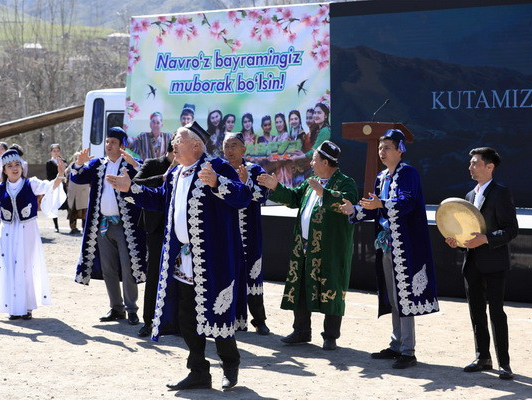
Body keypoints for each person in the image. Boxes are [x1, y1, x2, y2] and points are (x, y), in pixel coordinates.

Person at [106, 121, 251, 391]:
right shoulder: (175, 174)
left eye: (178, 138)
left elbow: (243, 196)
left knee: (217, 312)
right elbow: (161, 200)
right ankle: (198, 371)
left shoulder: (216, 167)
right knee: (187, 316)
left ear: (196, 145)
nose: (173, 141)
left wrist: (218, 183)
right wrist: (131, 189)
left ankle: (230, 365)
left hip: (214, 258)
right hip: (183, 260)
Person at [341, 129, 439, 369]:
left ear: (399, 150)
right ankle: (397, 344)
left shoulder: (408, 174)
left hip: (406, 244)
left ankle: (408, 350)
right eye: (380, 148)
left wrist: (381, 203)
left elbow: (406, 203)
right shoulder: (382, 177)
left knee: (405, 296)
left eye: (386, 148)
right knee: (394, 296)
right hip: (387, 244)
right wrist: (355, 210)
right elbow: (376, 209)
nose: (381, 152)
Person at [258, 141, 357, 350]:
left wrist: (325, 193)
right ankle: (301, 330)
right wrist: (275, 186)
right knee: (302, 287)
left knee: (332, 286)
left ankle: (330, 335)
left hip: (330, 249)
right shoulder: (311, 182)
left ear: (326, 162)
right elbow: (294, 198)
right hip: (304, 246)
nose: (311, 162)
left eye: (315, 159)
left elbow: (347, 204)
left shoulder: (345, 183)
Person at [444, 147, 518, 380]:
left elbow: (511, 230)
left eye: (475, 163)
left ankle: (504, 364)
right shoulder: (467, 196)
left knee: (497, 313)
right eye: (471, 163)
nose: (470, 167)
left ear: (490, 167)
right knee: (476, 312)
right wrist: (457, 241)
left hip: (494, 263)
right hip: (472, 263)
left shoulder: (501, 193)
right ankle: (483, 357)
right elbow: (467, 233)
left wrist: (486, 239)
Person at [0, 150, 66, 320]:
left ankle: (26, 307)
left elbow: (50, 186)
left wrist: (61, 173)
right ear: (4, 170)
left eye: (17, 165)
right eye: (10, 166)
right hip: (7, 231)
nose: (14, 169)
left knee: (26, 266)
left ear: (21, 166)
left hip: (27, 230)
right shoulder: (0, 188)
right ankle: (13, 307)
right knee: (9, 266)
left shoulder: (30, 183)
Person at [71, 127, 147, 325]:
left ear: (122, 146)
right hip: (103, 224)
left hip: (125, 226)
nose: (109, 145)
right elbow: (77, 178)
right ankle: (116, 308)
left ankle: (132, 309)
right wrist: (79, 163)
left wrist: (135, 165)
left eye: (113, 142)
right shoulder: (98, 165)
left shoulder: (129, 165)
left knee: (128, 267)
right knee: (108, 269)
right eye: (107, 142)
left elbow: (148, 181)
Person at [222, 133, 270, 335]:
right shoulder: (219, 171)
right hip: (225, 233)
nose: (230, 150)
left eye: (234, 146)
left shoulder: (255, 170)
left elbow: (262, 196)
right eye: (226, 146)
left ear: (244, 150)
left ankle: (259, 320)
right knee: (227, 276)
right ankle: (230, 319)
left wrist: (246, 183)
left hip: (249, 233)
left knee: (253, 274)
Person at [132, 141, 176, 337]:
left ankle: (176, 322)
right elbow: (137, 184)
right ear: (173, 149)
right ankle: (148, 321)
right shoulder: (152, 163)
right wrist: (163, 177)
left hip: (179, 230)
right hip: (156, 228)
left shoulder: (188, 168)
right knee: (154, 275)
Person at [65, 152, 89, 235]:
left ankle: (84, 227)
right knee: (72, 211)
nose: (77, 159)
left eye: (78, 157)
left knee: (84, 212)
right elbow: (67, 180)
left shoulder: (86, 167)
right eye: (76, 157)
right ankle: (73, 228)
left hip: (83, 193)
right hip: (73, 193)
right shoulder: (70, 168)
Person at [46, 144, 67, 233]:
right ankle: (56, 226)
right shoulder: (49, 163)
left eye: (57, 150)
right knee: (54, 205)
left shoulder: (63, 161)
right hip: (54, 185)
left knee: (67, 204)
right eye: (54, 151)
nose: (56, 152)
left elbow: (66, 174)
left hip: (63, 184)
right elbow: (49, 176)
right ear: (51, 152)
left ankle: (72, 225)